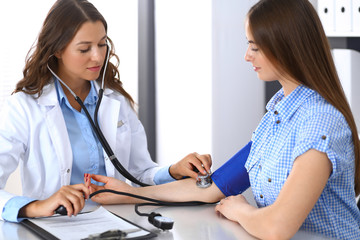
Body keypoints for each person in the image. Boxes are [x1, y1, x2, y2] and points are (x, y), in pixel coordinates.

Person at [87, 0, 360, 239]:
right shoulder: (277, 118)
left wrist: (240, 210)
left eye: (254, 46)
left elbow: (277, 227)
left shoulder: (319, 123)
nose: (246, 56)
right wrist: (128, 193)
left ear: (284, 46)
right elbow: (212, 188)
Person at [0, 0, 211, 222]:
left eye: (102, 44)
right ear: (57, 50)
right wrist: (36, 207)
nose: (98, 57)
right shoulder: (23, 108)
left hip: (119, 223)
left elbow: (139, 173)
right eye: (84, 49)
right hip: (55, 226)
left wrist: (174, 170)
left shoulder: (115, 100)